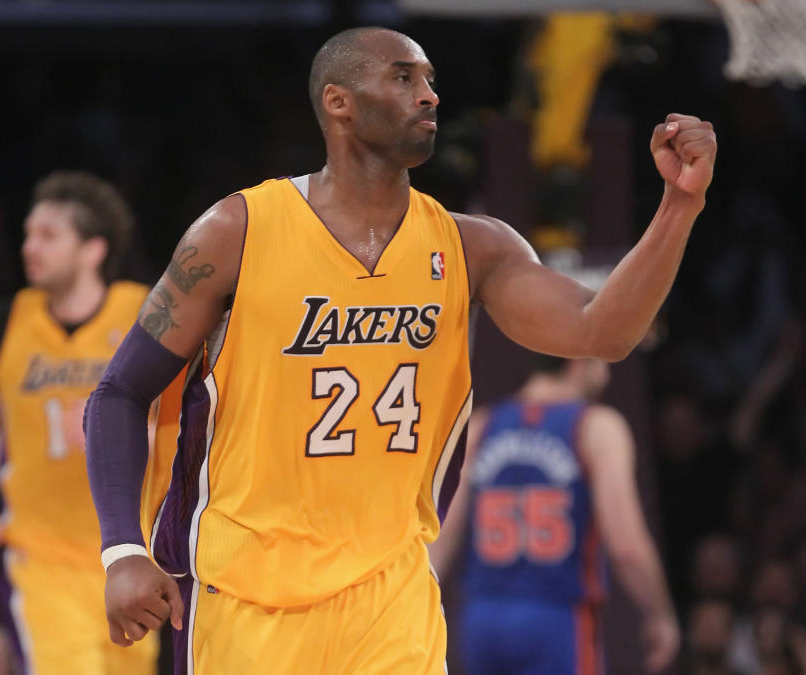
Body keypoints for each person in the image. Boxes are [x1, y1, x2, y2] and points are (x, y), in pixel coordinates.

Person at [84, 26, 716, 674]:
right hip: (253, 601)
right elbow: (119, 391)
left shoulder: (473, 247)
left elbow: (602, 331)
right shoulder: (237, 231)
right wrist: (121, 549)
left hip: (394, 603)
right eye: (404, 77)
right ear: (339, 102)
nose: (430, 96)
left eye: (432, 81)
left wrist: (679, 205)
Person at [0, 171, 180, 674]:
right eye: (28, 234)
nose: (29, 247)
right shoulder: (1, 323)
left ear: (93, 250)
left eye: (48, 235)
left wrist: (131, 431)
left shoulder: (147, 313)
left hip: (132, 553)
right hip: (39, 556)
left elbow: (183, 417)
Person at [428, 356, 679, 673]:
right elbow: (626, 546)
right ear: (579, 357)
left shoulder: (481, 425)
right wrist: (660, 615)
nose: (606, 372)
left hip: (482, 617)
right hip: (557, 617)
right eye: (603, 357)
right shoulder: (596, 426)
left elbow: (441, 537)